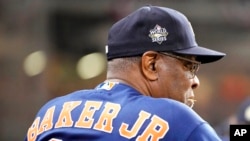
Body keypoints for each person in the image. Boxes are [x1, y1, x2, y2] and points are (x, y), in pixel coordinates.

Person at [25, 5, 226, 141]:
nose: (195, 81)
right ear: (152, 65)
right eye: (189, 67)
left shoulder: (49, 113)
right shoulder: (175, 119)